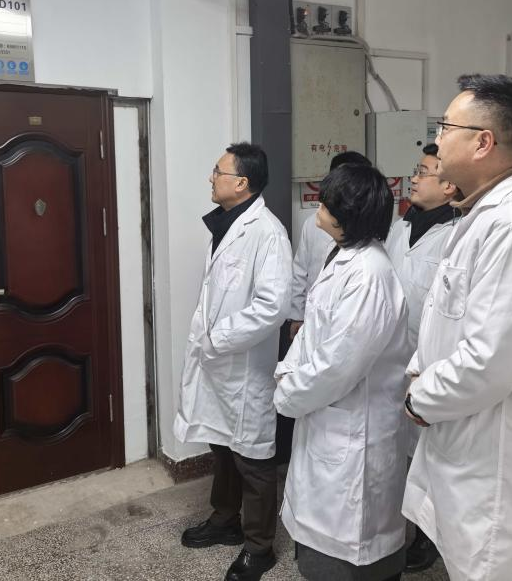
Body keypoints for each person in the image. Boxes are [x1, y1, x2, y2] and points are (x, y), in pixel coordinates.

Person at [402, 74, 512, 581]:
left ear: (482, 142)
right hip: (463, 440)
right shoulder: (481, 215)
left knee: (491, 567)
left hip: (497, 458)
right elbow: (443, 317)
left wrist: (419, 398)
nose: (436, 140)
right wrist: (419, 373)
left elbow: (489, 362)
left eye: (445, 127)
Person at [274, 164, 410, 581]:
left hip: (354, 432)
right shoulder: (344, 256)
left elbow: (338, 365)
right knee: (323, 538)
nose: (319, 207)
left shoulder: (369, 275)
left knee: (350, 550)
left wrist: (288, 392)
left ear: (347, 214)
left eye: (326, 202)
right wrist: (289, 372)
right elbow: (314, 332)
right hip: (325, 416)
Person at [176, 143, 293, 581]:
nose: (211, 178)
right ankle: (225, 519)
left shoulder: (267, 233)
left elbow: (272, 306)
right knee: (222, 444)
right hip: (218, 364)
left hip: (244, 368)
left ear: (241, 183)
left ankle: (259, 547)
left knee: (253, 457)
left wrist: (217, 339)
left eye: (217, 171)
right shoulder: (226, 225)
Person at [384, 143, 457, 572]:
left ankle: (428, 540)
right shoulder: (401, 226)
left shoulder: (456, 236)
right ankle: (401, 527)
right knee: (401, 452)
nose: (413, 178)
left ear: (448, 186)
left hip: (428, 363)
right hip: (392, 356)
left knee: (429, 455)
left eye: (423, 172)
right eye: (416, 170)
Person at [277, 151, 372, 464]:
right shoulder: (312, 225)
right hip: (313, 323)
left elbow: (341, 360)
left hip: (340, 340)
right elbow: (301, 270)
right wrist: (296, 316)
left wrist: (290, 389)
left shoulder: (367, 266)